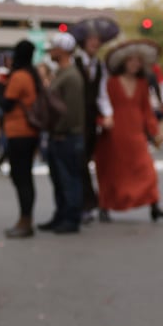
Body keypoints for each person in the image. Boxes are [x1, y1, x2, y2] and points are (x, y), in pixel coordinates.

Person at [94, 41, 163, 222]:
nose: (135, 64)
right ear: (124, 62)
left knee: (147, 169)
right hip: (114, 134)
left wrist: (154, 132)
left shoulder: (142, 83)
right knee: (112, 172)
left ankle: (154, 204)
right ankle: (105, 205)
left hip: (136, 133)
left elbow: (146, 110)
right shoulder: (110, 83)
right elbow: (100, 105)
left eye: (138, 61)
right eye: (131, 61)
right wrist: (102, 120)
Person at [38, 33, 87, 234]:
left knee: (69, 179)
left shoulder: (71, 76)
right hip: (60, 135)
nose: (50, 52)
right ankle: (61, 215)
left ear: (63, 50)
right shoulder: (62, 73)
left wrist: (58, 129)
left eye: (53, 48)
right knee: (60, 180)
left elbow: (71, 111)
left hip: (67, 136)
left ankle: (71, 218)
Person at [73, 23, 115, 222]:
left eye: (97, 40)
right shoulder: (74, 62)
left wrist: (107, 114)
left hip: (90, 119)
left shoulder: (99, 66)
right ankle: (88, 202)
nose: (95, 43)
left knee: (88, 159)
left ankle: (90, 202)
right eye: (91, 40)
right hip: (75, 117)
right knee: (79, 161)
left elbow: (102, 94)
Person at [2, 41, 41, 238]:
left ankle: (25, 220)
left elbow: (7, 104)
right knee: (25, 176)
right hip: (30, 133)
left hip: (19, 132)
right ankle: (26, 219)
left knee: (21, 177)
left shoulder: (18, 76)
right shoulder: (33, 75)